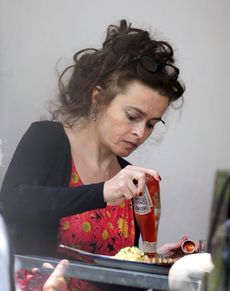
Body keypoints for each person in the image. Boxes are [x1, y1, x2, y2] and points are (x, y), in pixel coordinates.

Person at [0, 19, 185, 290]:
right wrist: (102, 192)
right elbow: (11, 204)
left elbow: (116, 278)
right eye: (132, 116)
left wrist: (158, 267)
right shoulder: (49, 139)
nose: (140, 133)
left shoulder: (129, 179)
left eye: (151, 124)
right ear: (98, 98)